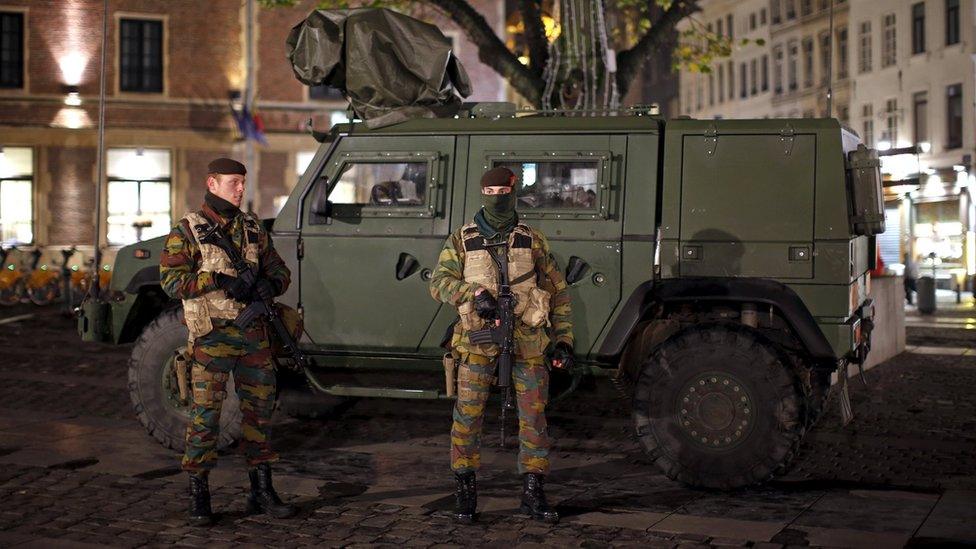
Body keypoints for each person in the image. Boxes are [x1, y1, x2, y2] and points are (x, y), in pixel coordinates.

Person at [429, 166, 575, 525]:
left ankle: (533, 492)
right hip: (477, 343)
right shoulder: (461, 239)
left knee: (534, 419)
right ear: (483, 193)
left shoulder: (532, 239)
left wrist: (564, 341)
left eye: (503, 190)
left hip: (527, 343)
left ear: (514, 191)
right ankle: (465, 492)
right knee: (467, 418)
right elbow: (438, 283)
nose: (497, 197)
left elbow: (558, 293)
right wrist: (473, 293)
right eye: (490, 190)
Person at [159, 158, 296, 526]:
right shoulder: (189, 229)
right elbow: (171, 282)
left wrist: (272, 284)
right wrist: (216, 281)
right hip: (212, 336)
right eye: (233, 182)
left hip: (254, 336)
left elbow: (279, 269)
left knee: (261, 413)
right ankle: (199, 494)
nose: (240, 189)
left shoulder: (252, 227)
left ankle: (261, 490)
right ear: (212, 183)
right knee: (205, 417)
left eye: (243, 182)